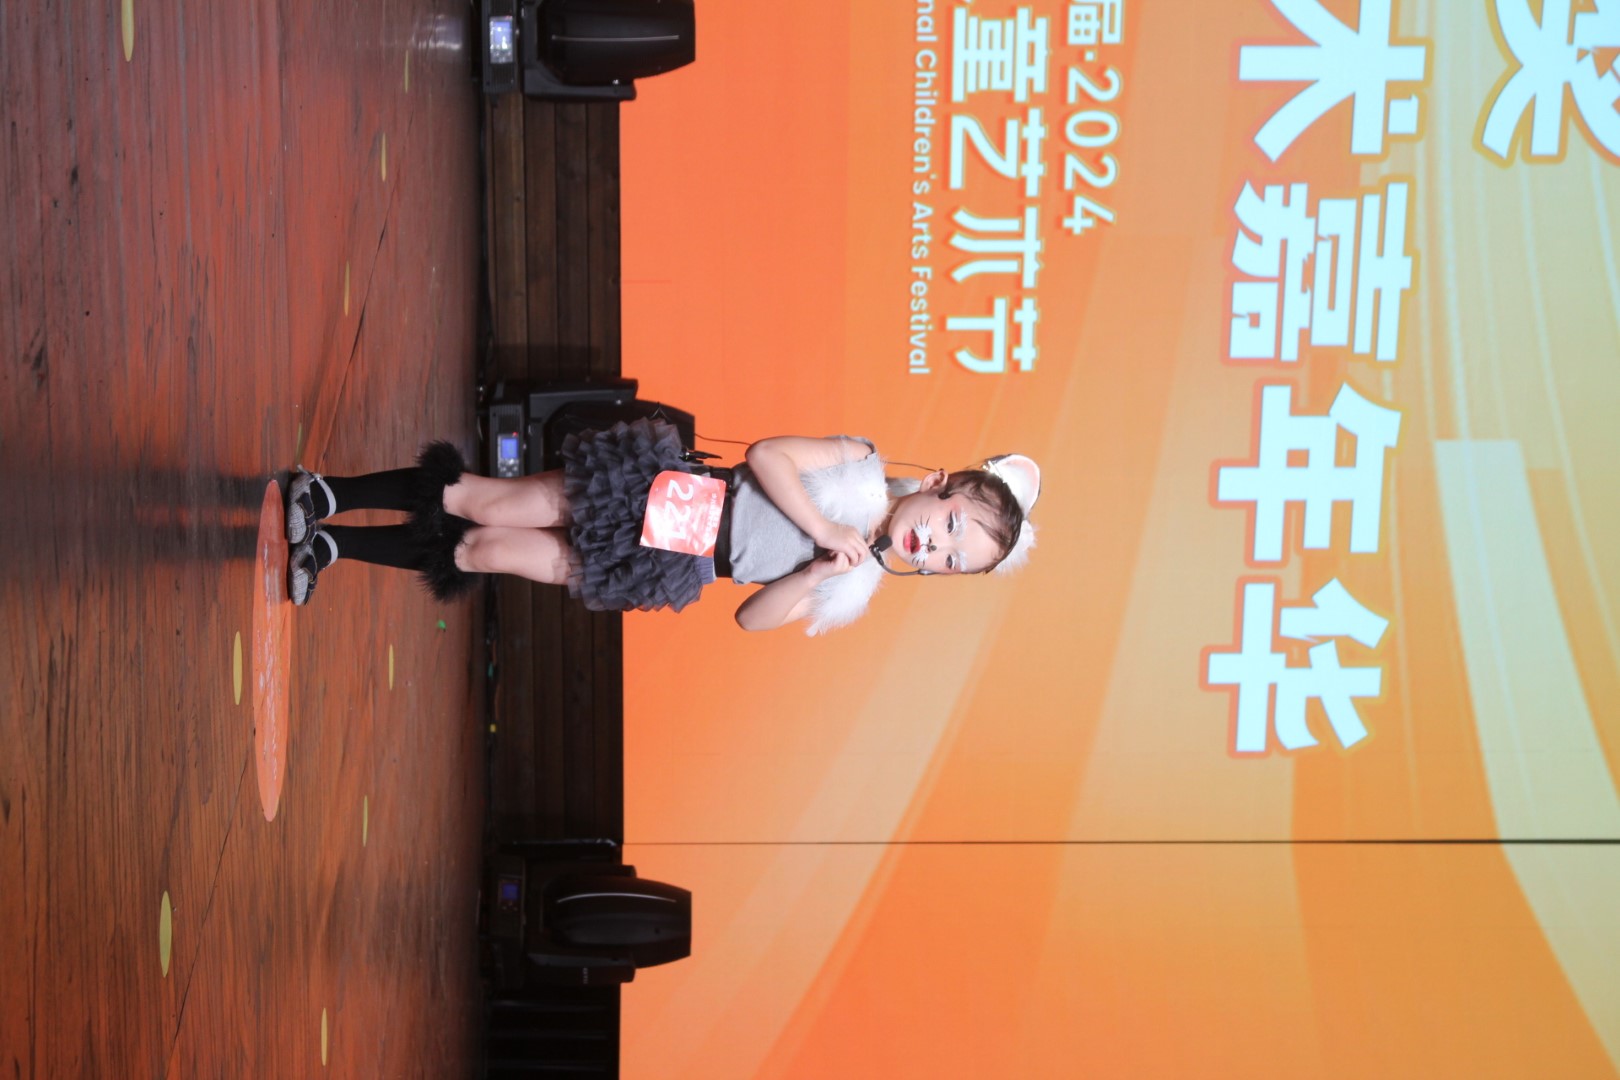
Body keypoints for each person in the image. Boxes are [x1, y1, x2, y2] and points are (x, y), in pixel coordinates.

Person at [285, 419, 1040, 634]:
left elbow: (751, 619)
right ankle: (331, 493)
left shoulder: (852, 587)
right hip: (660, 494)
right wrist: (820, 525)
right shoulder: (858, 463)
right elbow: (766, 456)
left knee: (482, 551)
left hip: (672, 564)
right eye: (951, 523)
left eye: (950, 558)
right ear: (938, 484)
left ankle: (335, 546)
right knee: (484, 505)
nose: (934, 545)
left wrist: (817, 571)